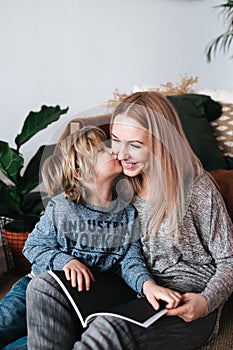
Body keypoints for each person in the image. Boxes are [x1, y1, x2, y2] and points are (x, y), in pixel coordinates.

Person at [26, 91, 233, 350]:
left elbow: (229, 260)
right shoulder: (120, 185)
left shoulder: (197, 190)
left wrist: (206, 302)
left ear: (161, 144)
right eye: (115, 141)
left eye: (134, 144)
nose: (121, 154)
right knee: (43, 286)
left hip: (183, 295)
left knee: (106, 330)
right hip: (131, 285)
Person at [0, 125, 181, 349]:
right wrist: (66, 260)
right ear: (79, 172)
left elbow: (131, 261)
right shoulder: (62, 207)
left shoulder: (127, 213)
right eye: (101, 151)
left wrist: (147, 285)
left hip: (78, 302)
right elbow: (33, 246)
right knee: (4, 323)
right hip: (36, 289)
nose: (113, 150)